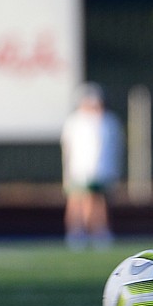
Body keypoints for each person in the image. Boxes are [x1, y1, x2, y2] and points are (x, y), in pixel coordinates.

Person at [60, 82, 124, 250]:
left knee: (98, 201)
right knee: (76, 201)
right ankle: (76, 233)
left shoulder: (109, 121)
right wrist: (67, 173)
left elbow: (115, 148)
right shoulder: (75, 121)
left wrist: (114, 171)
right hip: (79, 170)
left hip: (102, 170)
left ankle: (99, 232)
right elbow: (68, 148)